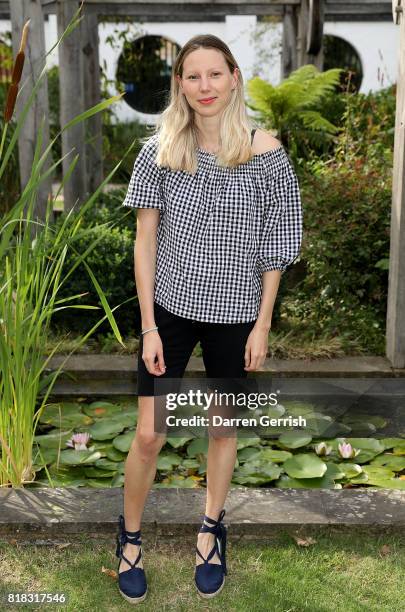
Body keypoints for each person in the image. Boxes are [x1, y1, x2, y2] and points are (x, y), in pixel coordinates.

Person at [115, 33, 303, 603]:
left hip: (237, 315)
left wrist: (263, 324)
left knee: (223, 428)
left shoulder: (267, 153)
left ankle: (211, 531)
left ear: (233, 76)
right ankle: (128, 539)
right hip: (168, 313)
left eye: (214, 74)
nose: (205, 87)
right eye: (192, 76)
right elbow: (144, 243)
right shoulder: (160, 150)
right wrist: (148, 325)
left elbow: (279, 245)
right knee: (149, 435)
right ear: (180, 84)